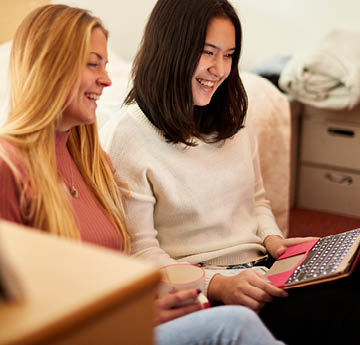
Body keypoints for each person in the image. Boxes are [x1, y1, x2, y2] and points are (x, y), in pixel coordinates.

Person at [0, 4, 284, 345]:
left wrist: (143, 303)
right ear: (49, 67)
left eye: (105, 65)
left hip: (128, 316)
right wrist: (126, 316)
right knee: (235, 324)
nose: (107, 80)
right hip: (90, 332)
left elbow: (120, 263)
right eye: (93, 65)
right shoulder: (10, 169)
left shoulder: (92, 161)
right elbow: (14, 316)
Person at [100, 0, 360, 344]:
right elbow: (142, 254)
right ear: (171, 49)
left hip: (262, 270)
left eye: (229, 55)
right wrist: (218, 284)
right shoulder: (128, 135)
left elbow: (256, 200)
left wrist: (274, 241)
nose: (219, 69)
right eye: (208, 52)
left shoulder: (230, 118)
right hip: (208, 292)